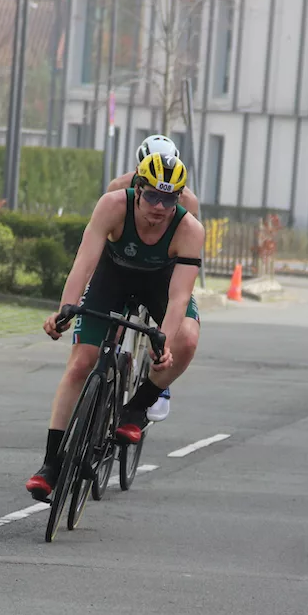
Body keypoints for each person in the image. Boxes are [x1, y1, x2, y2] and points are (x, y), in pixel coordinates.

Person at [25, 152, 204, 502]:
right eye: (152, 196)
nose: (159, 207)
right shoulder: (113, 205)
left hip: (161, 285)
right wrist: (65, 310)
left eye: (168, 200)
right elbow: (84, 262)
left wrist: (162, 343)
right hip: (113, 278)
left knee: (187, 339)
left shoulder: (189, 229)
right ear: (138, 188)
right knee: (81, 362)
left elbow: (179, 297)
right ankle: (50, 464)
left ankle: (137, 407)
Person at [103, 134, 201, 422]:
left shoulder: (188, 201)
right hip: (124, 264)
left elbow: (186, 250)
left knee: (175, 327)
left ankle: (158, 382)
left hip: (162, 270)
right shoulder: (118, 188)